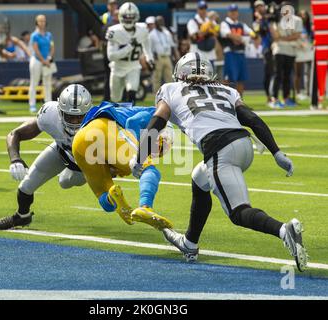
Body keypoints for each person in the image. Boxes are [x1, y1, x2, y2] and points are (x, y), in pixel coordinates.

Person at [131, 53, 308, 272]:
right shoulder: (228, 90)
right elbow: (251, 119)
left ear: (180, 73)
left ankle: (283, 230)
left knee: (238, 212)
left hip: (220, 148)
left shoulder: (171, 88)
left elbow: (157, 121)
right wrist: (276, 152)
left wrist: (139, 156)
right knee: (199, 178)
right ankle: (190, 243)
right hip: (244, 145)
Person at [0, 84, 89, 230]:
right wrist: (15, 159)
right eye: (70, 116)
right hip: (61, 151)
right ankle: (22, 216)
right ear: (60, 111)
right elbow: (15, 134)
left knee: (65, 182)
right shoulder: (50, 114)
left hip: (86, 164)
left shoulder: (99, 122)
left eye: (79, 117)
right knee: (26, 185)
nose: (74, 122)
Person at [72, 101, 174, 230]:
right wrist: (139, 150)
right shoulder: (155, 113)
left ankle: (112, 196)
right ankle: (145, 207)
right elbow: (132, 122)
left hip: (79, 140)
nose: (157, 149)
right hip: (102, 129)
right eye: (160, 143)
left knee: (105, 199)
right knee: (149, 170)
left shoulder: (128, 111)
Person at [106, 2, 154, 105]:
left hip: (133, 66)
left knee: (132, 93)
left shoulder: (143, 29)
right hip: (117, 67)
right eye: (126, 16)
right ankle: (113, 120)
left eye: (131, 16)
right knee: (115, 99)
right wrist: (129, 47)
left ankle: (129, 119)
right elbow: (111, 56)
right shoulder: (114, 31)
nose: (128, 19)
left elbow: (147, 46)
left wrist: (150, 59)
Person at [269, 2, 303, 108]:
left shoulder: (297, 20)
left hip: (291, 51)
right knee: (277, 74)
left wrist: (282, 39)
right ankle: (274, 99)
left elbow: (297, 35)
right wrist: (272, 23)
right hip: (279, 50)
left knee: (287, 76)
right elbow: (275, 36)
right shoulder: (276, 20)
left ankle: (286, 98)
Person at [220, 4, 255, 96]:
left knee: (241, 78)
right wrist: (243, 39)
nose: (233, 13)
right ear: (228, 13)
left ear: (237, 12)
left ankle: (240, 101)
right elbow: (228, 35)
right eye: (231, 11)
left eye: (235, 11)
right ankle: (227, 99)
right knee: (229, 78)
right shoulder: (225, 23)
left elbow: (253, 34)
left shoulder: (242, 24)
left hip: (241, 53)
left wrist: (240, 39)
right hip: (230, 53)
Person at [29, 14, 55, 113]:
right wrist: (43, 60)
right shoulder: (34, 35)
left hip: (47, 61)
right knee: (34, 83)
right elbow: (35, 49)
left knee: (47, 83)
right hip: (36, 61)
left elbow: (52, 47)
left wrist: (49, 58)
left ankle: (48, 104)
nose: (42, 23)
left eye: (43, 21)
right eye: (40, 21)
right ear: (37, 22)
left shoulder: (49, 35)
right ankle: (32, 104)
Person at [149, 16, 179, 93]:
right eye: (159, 21)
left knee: (169, 76)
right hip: (158, 57)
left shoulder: (167, 32)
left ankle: (170, 93)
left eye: (162, 21)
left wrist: (174, 56)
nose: (161, 23)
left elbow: (172, 45)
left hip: (167, 57)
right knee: (157, 77)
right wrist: (152, 59)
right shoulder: (152, 34)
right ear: (156, 23)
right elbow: (150, 48)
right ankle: (156, 93)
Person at [253, 0, 274, 106]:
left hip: (277, 47)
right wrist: (260, 20)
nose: (259, 8)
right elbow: (256, 35)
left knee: (278, 73)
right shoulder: (257, 22)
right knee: (268, 73)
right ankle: (269, 97)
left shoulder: (271, 17)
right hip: (267, 49)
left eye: (261, 6)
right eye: (257, 7)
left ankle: (276, 97)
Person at [187, 1, 218, 66]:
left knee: (210, 75)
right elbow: (195, 36)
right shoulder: (192, 21)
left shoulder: (210, 21)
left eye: (205, 9)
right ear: (197, 10)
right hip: (197, 53)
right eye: (201, 9)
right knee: (197, 75)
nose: (203, 11)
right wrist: (208, 29)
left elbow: (216, 34)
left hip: (210, 53)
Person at [294, 10, 313, 101]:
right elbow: (294, 38)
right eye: (301, 15)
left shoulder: (310, 27)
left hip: (309, 51)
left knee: (310, 73)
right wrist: (299, 44)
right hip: (298, 51)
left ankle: (309, 92)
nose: (303, 16)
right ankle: (297, 93)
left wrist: (312, 44)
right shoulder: (295, 26)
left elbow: (312, 38)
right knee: (298, 73)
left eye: (305, 14)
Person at [102, 9, 120, 101]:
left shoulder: (106, 26)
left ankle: (107, 97)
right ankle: (114, 97)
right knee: (114, 77)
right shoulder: (117, 27)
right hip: (115, 57)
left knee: (108, 77)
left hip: (107, 54)